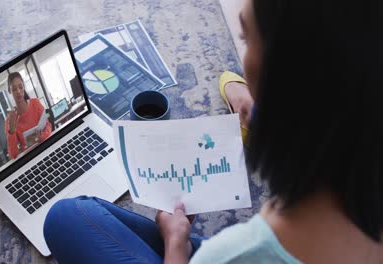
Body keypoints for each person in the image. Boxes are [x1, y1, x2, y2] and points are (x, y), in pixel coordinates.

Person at [43, 0, 382, 263]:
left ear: (284, 74)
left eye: (246, 39)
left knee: (64, 218)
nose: (243, 57)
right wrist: (244, 95)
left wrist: (177, 247)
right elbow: (229, 79)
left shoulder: (235, 253)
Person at [5, 72, 52, 159]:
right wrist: (11, 132)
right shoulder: (10, 120)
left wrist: (41, 137)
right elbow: (13, 155)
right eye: (14, 89)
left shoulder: (35, 103)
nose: (18, 91)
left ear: (24, 86)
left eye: (20, 87)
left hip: (46, 148)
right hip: (31, 158)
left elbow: (48, 126)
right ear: (9, 91)